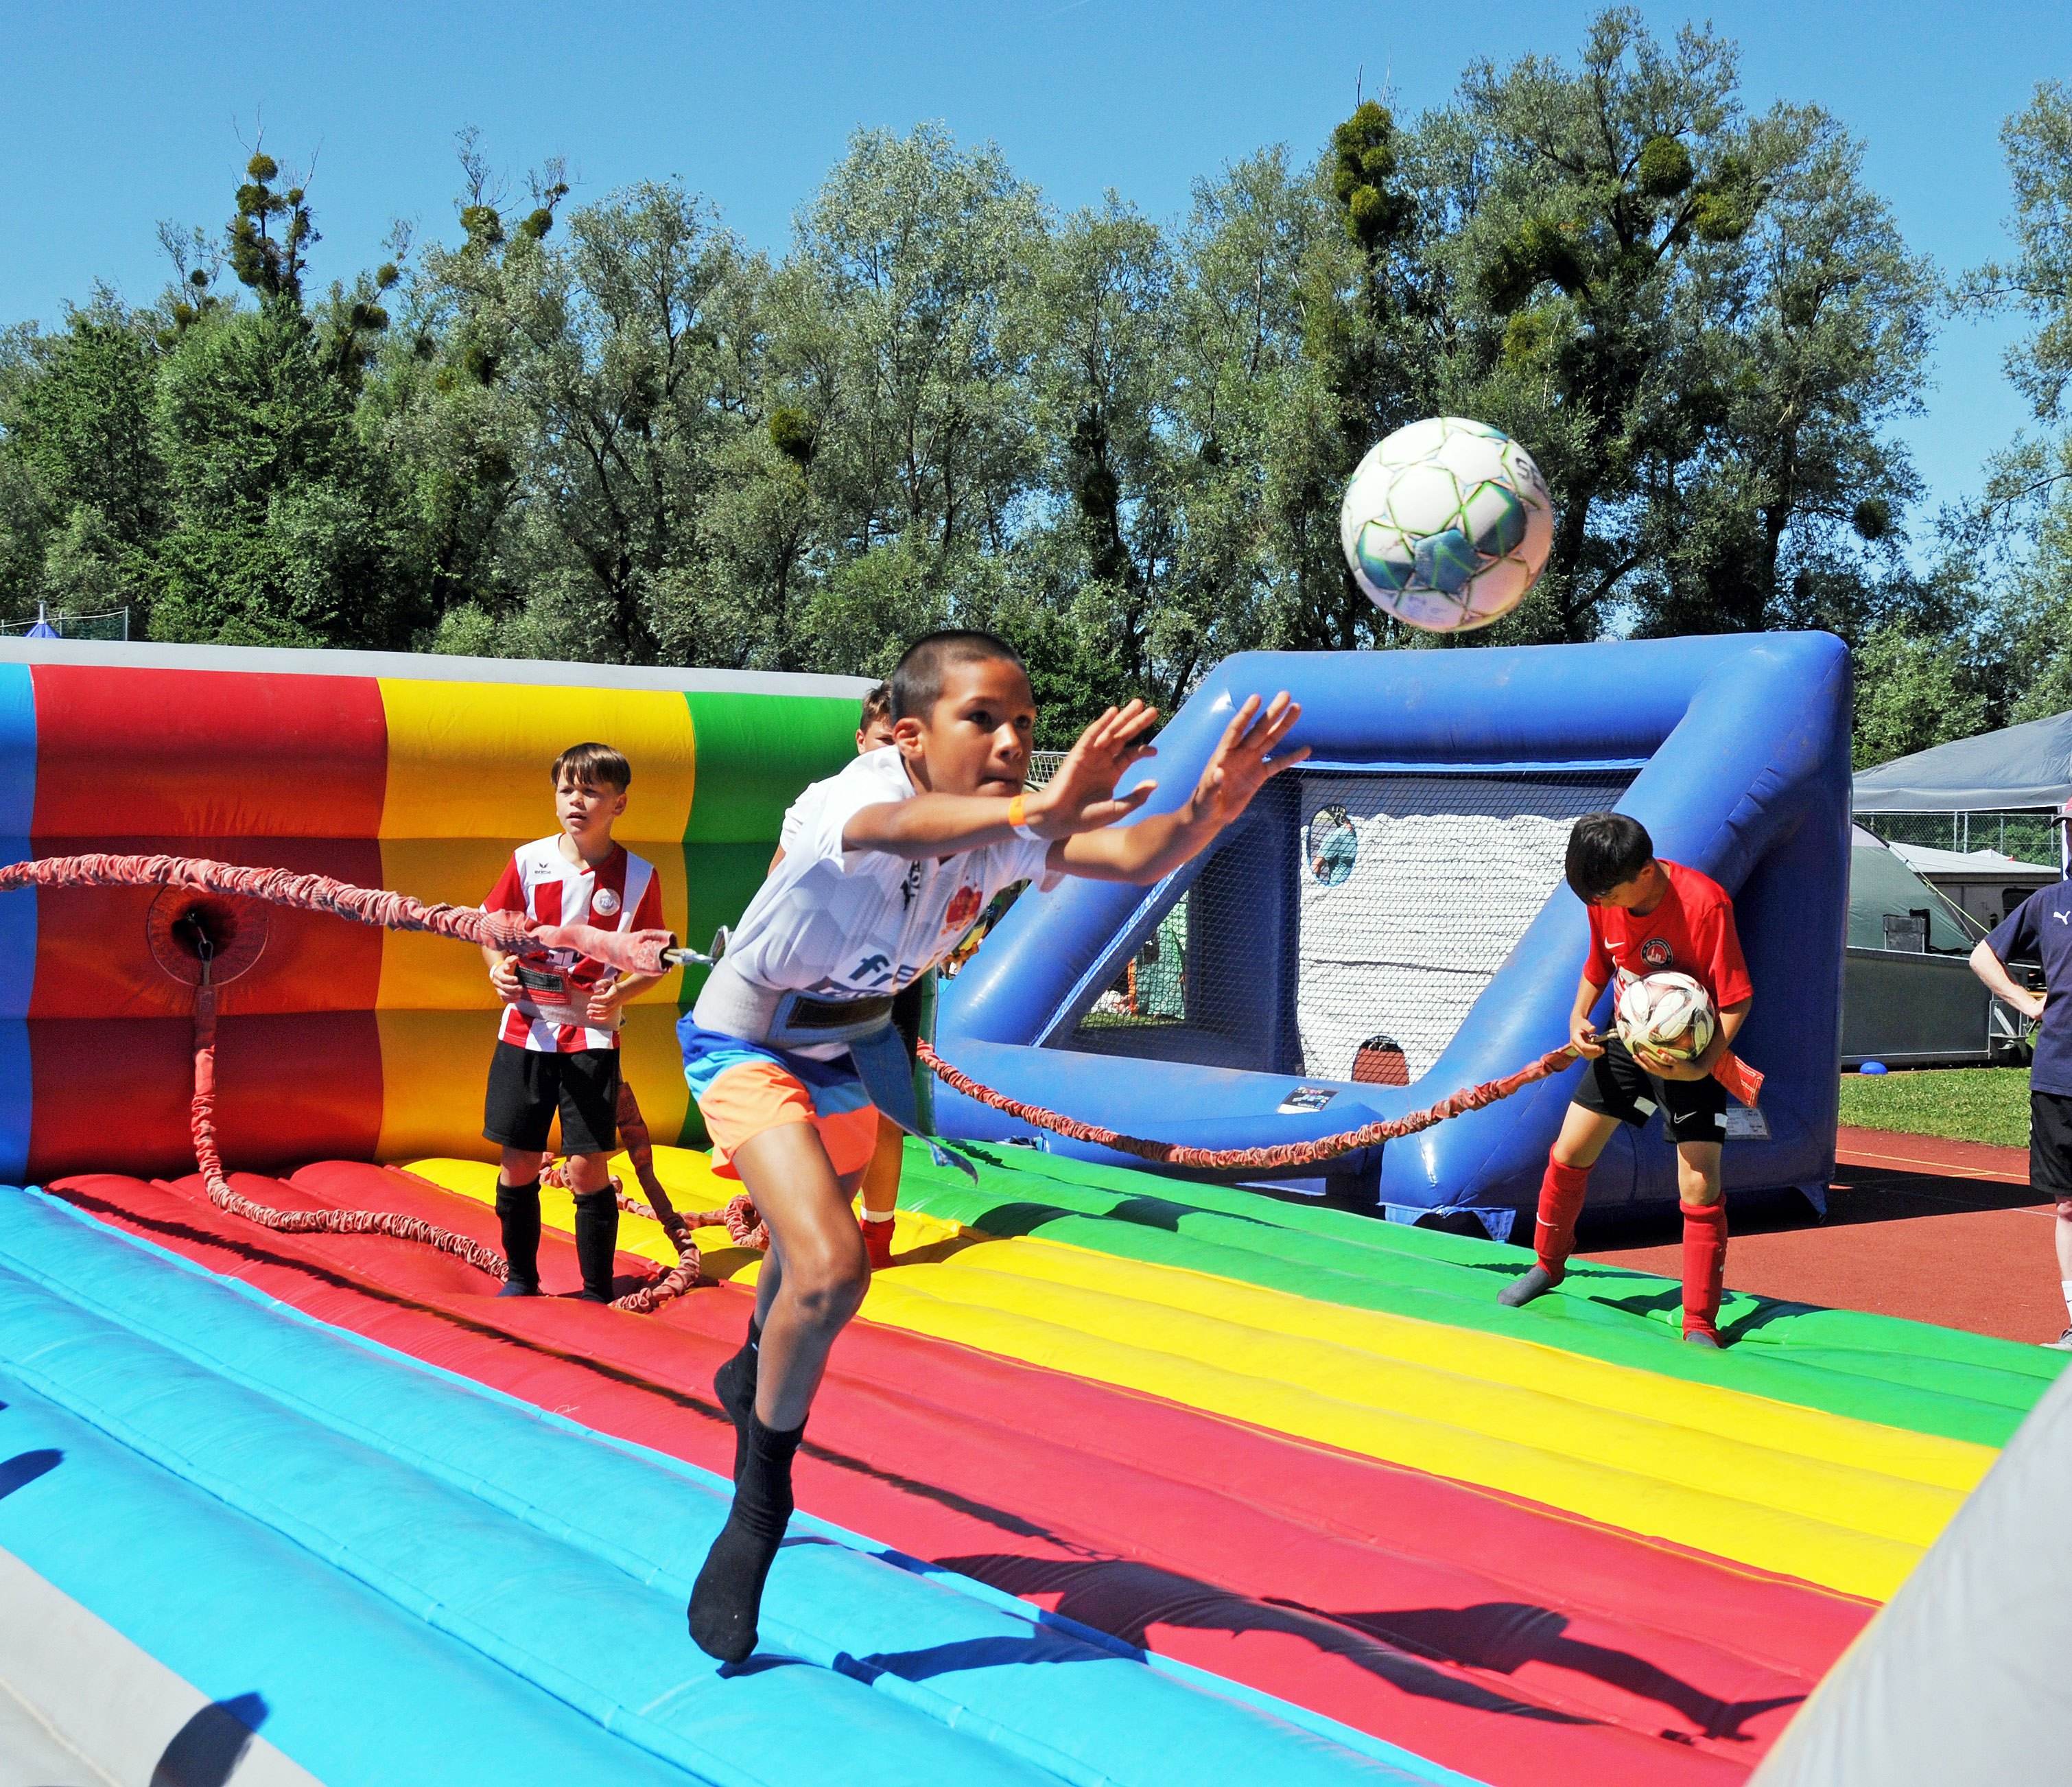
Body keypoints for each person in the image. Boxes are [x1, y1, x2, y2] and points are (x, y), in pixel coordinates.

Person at [679, 629, 1303, 1663]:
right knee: (831, 1270)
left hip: (849, 1049)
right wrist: (1033, 810)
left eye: (1024, 722)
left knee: (798, 1258)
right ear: (908, 735)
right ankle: (759, 1505)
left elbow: (1130, 854)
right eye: (983, 719)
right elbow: (899, 827)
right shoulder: (853, 794)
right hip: (745, 1042)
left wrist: (1210, 810)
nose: (1012, 740)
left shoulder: (1006, 830)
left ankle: (751, 1366)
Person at [1498, 813, 1754, 1346]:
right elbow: (1599, 965)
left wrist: (1700, 1064)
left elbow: (1736, 1000)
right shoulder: (1603, 899)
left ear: (1644, 873)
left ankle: (1699, 1321)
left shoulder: (1705, 905)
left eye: (1608, 895)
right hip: (1627, 1041)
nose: (1601, 905)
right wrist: (1578, 1017)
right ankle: (1547, 1266)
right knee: (1570, 1152)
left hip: (1690, 1054)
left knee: (1699, 1182)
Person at [480, 742, 666, 1300]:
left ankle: (596, 1289)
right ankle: (521, 1278)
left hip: (591, 1039)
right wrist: (498, 969)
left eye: (591, 792)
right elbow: (490, 928)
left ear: (619, 804)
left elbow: (655, 960)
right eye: (567, 790)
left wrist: (622, 993)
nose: (576, 801)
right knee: (518, 1160)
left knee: (587, 1166)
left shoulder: (639, 876)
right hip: (525, 1030)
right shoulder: (528, 861)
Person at [768, 683, 910, 1269]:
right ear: (860, 740)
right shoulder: (821, 800)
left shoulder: (930, 810)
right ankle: (805, 1225)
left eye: (905, 743)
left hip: (887, 975)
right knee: (804, 1100)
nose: (892, 755)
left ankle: (877, 1233)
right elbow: (777, 883)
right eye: (882, 740)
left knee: (885, 1108)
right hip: (816, 971)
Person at [1968, 891, 2072, 1347]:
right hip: (2058, 1077)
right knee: (2068, 1206)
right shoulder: (2050, 903)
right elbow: (1982, 957)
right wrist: (2026, 1002)